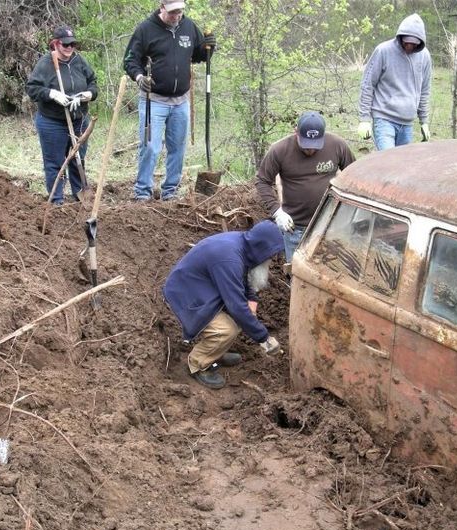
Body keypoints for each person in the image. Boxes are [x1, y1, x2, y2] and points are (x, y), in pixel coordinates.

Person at [163, 221, 284, 389]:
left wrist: (252, 301)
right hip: (186, 294)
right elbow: (236, 306)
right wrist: (264, 339)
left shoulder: (243, 246)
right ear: (262, 248)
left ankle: (215, 352)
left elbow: (243, 281)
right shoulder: (229, 259)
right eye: (270, 255)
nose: (270, 260)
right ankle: (199, 364)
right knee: (226, 330)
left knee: (245, 317)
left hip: (202, 287)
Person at [123, 0, 215, 201]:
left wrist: (209, 47)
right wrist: (139, 78)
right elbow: (130, 60)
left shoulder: (188, 26)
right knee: (150, 147)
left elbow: (199, 55)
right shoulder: (146, 29)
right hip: (153, 100)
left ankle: (170, 191)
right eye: (173, 12)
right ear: (161, 7)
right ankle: (142, 192)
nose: (177, 16)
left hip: (181, 101)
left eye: (180, 11)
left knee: (177, 148)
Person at [256, 112, 356, 262]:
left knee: (332, 271)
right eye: (306, 145)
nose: (311, 150)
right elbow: (262, 181)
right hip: (296, 228)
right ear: (296, 132)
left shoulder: (337, 145)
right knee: (298, 274)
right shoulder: (280, 150)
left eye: (315, 146)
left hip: (331, 224)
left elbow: (354, 174)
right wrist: (277, 212)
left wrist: (348, 208)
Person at [26, 25, 98, 206]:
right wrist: (52, 94)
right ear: (56, 44)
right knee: (55, 162)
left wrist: (88, 94)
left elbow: (93, 83)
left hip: (79, 119)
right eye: (65, 44)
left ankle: (80, 195)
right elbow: (32, 89)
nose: (69, 48)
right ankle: (56, 200)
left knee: (78, 159)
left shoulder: (79, 61)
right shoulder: (46, 63)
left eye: (72, 44)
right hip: (52, 122)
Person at [357, 13, 432, 150]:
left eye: (413, 43)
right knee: (388, 163)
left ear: (420, 42)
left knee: (402, 166)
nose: (409, 46)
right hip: (384, 118)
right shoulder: (383, 51)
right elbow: (368, 85)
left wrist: (424, 121)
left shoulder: (425, 56)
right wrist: (364, 119)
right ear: (401, 37)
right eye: (407, 42)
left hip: (407, 123)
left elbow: (425, 90)